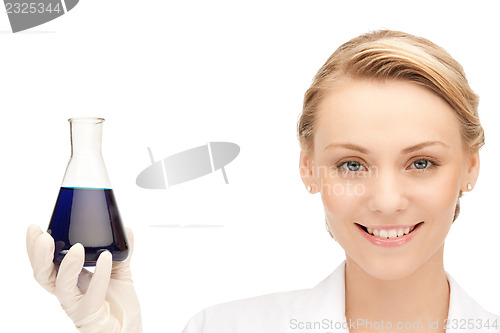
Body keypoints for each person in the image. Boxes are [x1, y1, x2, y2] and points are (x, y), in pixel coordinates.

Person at [27, 30, 500, 332]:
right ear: (308, 169)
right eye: (352, 165)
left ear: (471, 167)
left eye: (421, 163)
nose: (387, 200)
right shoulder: (224, 327)